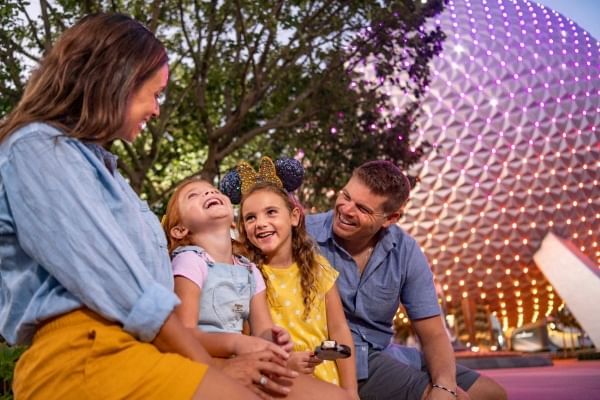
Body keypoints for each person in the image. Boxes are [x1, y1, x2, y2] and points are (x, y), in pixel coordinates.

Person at [0, 13, 291, 399]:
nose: (156, 110)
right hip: (84, 350)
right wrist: (212, 369)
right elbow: (122, 283)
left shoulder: (111, 178)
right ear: (117, 79)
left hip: (145, 347)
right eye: (155, 94)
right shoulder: (35, 147)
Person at [305, 160, 507, 400]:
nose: (347, 209)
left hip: (383, 351)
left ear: (391, 218)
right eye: (346, 196)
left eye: (363, 209)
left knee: (491, 393)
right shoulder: (304, 236)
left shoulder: (406, 251)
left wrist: (444, 385)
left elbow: (433, 334)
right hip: (338, 355)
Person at [162, 176, 352, 400]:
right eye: (193, 195)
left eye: (213, 190)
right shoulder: (190, 261)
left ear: (232, 222)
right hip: (206, 360)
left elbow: (262, 330)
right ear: (179, 230)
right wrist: (238, 343)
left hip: (244, 358)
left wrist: (274, 338)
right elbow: (183, 333)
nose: (208, 193)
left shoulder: (249, 270)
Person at [228, 157, 359, 400]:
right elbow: (247, 342)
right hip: (278, 384)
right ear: (242, 227)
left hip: (328, 383)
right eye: (250, 217)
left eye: (271, 212)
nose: (261, 223)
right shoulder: (247, 275)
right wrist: (285, 364)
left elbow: (339, 329)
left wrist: (351, 391)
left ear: (294, 216)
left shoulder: (318, 267)